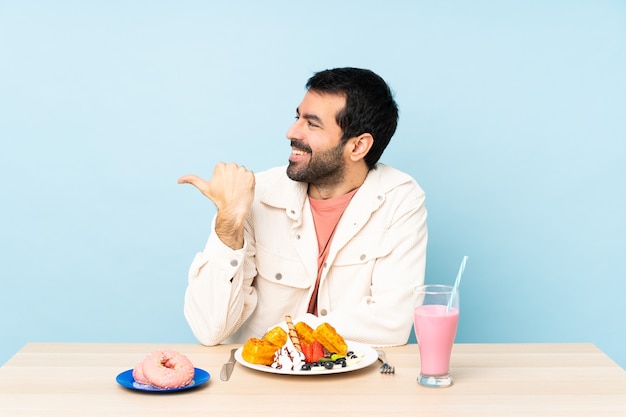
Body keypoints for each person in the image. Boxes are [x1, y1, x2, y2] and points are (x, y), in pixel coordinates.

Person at [178, 67, 427, 347]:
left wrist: (288, 333)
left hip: (351, 384)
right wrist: (229, 224)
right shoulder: (254, 195)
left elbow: (392, 324)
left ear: (358, 147)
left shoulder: (401, 199)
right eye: (298, 117)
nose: (291, 132)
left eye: (312, 124)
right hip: (260, 384)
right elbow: (210, 330)